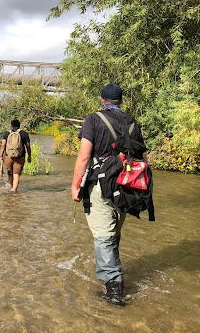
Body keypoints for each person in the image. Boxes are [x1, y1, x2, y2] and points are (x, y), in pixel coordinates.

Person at [71, 83, 147, 306]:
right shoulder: (132, 122)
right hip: (126, 186)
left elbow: (84, 156)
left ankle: (114, 291)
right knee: (113, 232)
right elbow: (142, 157)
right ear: (120, 101)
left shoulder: (93, 119)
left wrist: (75, 185)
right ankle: (114, 278)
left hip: (100, 186)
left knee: (104, 236)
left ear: (102, 100)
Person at [0, 119, 32, 192]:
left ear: (11, 125)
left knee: (10, 172)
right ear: (19, 125)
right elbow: (28, 146)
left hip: (8, 156)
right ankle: (14, 190)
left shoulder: (6, 133)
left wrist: (1, 156)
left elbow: (3, 145)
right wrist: (29, 156)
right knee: (16, 173)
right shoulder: (24, 133)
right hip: (20, 156)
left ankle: (11, 187)